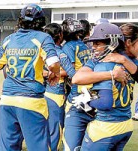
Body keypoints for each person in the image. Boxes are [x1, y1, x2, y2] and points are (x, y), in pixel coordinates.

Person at [0, 4, 60, 150]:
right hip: (31, 100)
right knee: (38, 146)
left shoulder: (9, 39)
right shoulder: (43, 38)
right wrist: (56, 73)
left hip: (7, 100)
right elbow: (53, 63)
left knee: (8, 147)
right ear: (41, 21)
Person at [76, 23, 138, 151]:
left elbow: (105, 103)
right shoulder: (130, 62)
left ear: (113, 43)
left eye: (97, 44)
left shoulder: (103, 65)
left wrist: (87, 100)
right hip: (126, 124)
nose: (93, 48)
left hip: (107, 126)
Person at [61, 17, 94, 151]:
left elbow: (71, 71)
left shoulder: (68, 47)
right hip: (90, 91)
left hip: (77, 93)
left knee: (71, 138)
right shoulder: (83, 45)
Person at [43, 23, 76, 150]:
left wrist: (47, 73)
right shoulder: (60, 53)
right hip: (56, 96)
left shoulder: (42, 51)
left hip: (43, 94)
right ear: (59, 35)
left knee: (47, 129)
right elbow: (72, 73)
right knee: (56, 131)